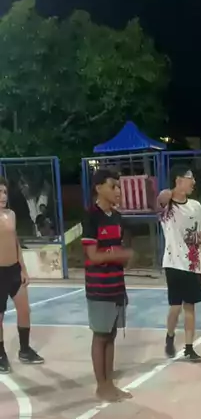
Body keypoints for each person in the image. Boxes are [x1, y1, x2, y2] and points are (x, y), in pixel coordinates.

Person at [81, 169, 133, 402]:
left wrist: (123, 257)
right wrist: (119, 255)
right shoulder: (91, 217)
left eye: (119, 186)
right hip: (99, 287)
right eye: (113, 186)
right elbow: (93, 255)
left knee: (111, 335)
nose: (118, 191)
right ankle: (101, 386)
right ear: (98, 188)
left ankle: (109, 384)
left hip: (116, 285)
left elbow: (117, 250)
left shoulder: (118, 218)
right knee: (100, 336)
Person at [158, 167, 201, 363]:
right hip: (173, 263)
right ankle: (170, 335)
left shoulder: (196, 206)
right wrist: (173, 191)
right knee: (175, 307)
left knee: (190, 306)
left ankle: (189, 348)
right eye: (190, 179)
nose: (194, 182)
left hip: (192, 263)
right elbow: (161, 198)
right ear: (179, 180)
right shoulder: (167, 206)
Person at [0, 176, 44, 373]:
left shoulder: (11, 214)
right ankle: (0, 355)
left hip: (14, 270)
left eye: (4, 192)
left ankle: (25, 350)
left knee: (24, 311)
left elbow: (15, 241)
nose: (3, 196)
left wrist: (23, 268)